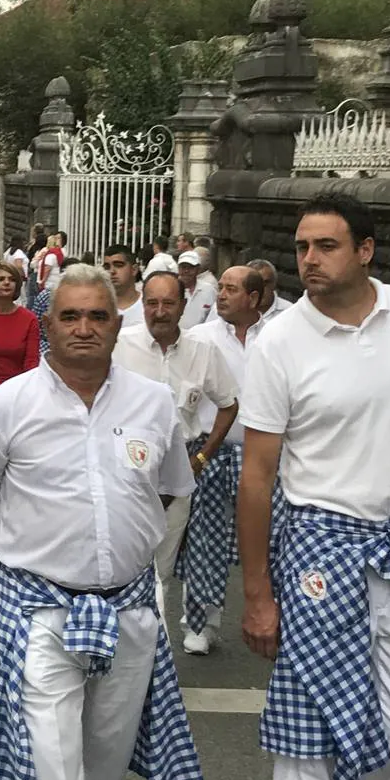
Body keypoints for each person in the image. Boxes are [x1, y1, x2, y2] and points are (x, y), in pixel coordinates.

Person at [0, 264, 206, 780]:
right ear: (48, 324)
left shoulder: (154, 402)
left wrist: (116, 533)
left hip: (131, 610)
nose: (84, 328)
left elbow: (166, 488)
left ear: (117, 324)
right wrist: (46, 542)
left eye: (97, 316)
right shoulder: (1, 409)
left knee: (107, 759)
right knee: (54, 768)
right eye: (70, 316)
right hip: (40, 612)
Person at [238, 193, 390, 780]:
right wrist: (259, 595)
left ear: (366, 250)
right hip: (319, 551)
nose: (309, 259)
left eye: (326, 246)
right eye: (301, 248)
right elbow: (257, 476)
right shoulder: (278, 343)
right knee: (311, 736)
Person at [113, 271, 239, 648]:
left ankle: (150, 655)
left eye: (168, 303)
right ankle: (120, 647)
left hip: (177, 475)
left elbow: (229, 405)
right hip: (125, 474)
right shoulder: (120, 346)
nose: (159, 311)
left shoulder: (203, 352)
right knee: (122, 565)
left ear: (183, 306)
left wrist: (202, 456)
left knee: (160, 570)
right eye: (151, 303)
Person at [180, 265, 275, 656]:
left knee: (275, 540)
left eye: (231, 289)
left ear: (253, 298)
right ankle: (201, 624)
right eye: (219, 287)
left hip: (267, 455)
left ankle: (278, 616)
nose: (220, 294)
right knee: (205, 540)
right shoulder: (200, 338)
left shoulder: (278, 337)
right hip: (214, 450)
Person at [103, 244, 143, 329]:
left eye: (118, 265)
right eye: (107, 267)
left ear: (134, 269)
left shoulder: (148, 306)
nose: (111, 271)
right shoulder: (98, 307)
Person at [178, 251, 217, 329]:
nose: (186, 271)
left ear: (198, 269)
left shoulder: (209, 290)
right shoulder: (172, 289)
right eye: (183, 267)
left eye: (190, 267)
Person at [246, 258, 292, 322]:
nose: (260, 289)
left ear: (274, 284)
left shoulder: (289, 312)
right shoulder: (235, 310)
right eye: (255, 284)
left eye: (265, 283)